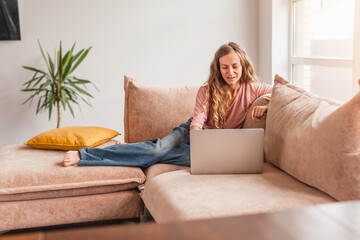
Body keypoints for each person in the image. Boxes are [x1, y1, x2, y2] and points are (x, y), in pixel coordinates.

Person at [63, 42, 272, 167]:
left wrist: (267, 104)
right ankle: (85, 154)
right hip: (191, 132)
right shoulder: (208, 89)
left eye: (235, 66)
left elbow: (284, 90)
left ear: (243, 66)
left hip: (215, 146)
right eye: (225, 67)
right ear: (218, 68)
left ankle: (130, 150)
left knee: (164, 156)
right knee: (157, 151)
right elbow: (198, 119)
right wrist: (197, 135)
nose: (231, 72)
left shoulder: (254, 88)